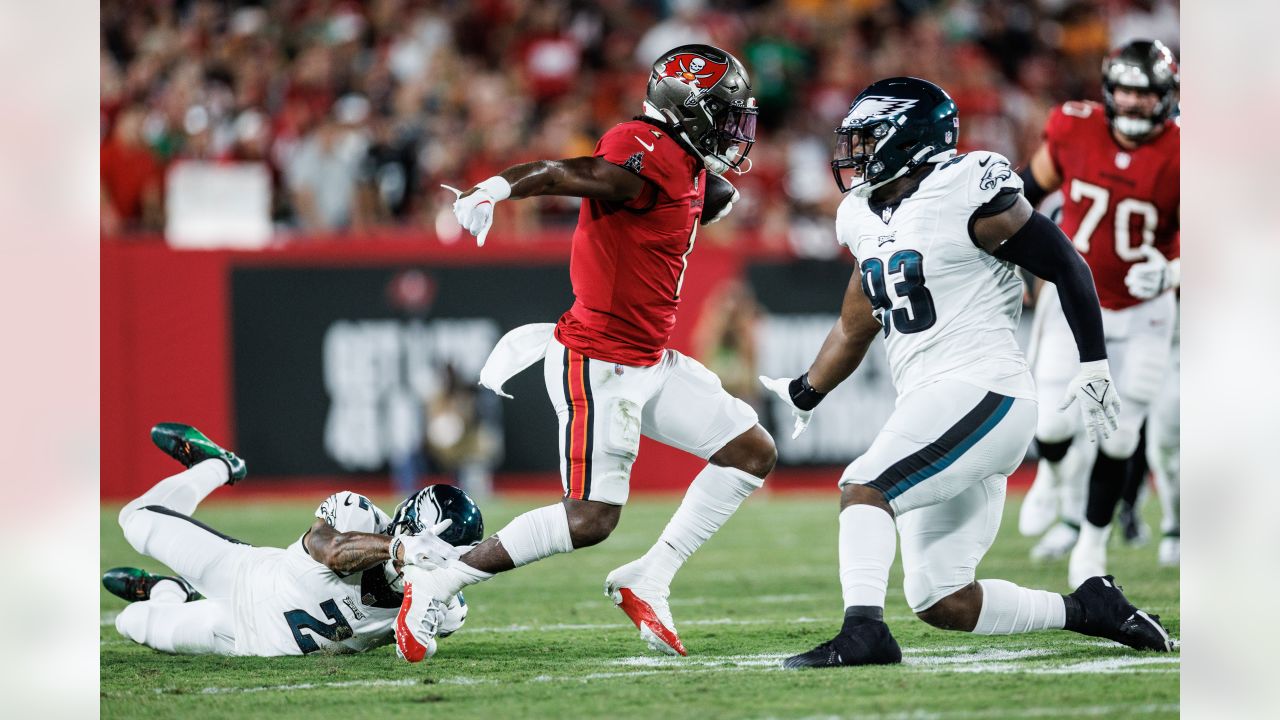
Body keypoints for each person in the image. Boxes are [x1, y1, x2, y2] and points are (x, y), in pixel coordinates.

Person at [759, 76, 1171, 669]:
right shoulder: (860, 215)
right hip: (934, 400)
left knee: (864, 485)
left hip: (985, 388)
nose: (854, 153)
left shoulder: (965, 188)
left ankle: (864, 633)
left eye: (869, 138)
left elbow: (1067, 264)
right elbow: (857, 323)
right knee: (942, 598)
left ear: (910, 139)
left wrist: (1093, 360)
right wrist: (806, 390)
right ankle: (1090, 609)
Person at [394, 44, 777, 662]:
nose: (736, 129)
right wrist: (495, 188)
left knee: (751, 450)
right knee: (590, 519)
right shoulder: (641, 150)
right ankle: (438, 581)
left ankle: (649, 576)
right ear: (688, 108)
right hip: (600, 361)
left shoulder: (685, 161)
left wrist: (710, 194)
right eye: (725, 114)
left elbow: (702, 199)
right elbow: (564, 173)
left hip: (649, 360)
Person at [1014, 40, 1179, 586]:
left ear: (1165, 96)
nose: (1133, 103)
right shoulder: (1071, 126)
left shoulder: (1185, 150)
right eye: (1126, 91)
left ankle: (1092, 547)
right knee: (1052, 421)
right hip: (1074, 299)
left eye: (1145, 93)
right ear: (1110, 92)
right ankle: (1055, 483)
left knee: (1121, 436)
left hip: (1146, 311)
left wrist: (1174, 272)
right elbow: (1021, 193)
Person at [106, 423, 481, 658]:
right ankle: (219, 465)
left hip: (244, 641)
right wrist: (397, 549)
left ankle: (169, 590)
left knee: (133, 622)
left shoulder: (444, 606)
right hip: (244, 574)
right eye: (427, 548)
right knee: (136, 521)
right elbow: (329, 550)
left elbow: (419, 642)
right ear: (405, 524)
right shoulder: (358, 514)